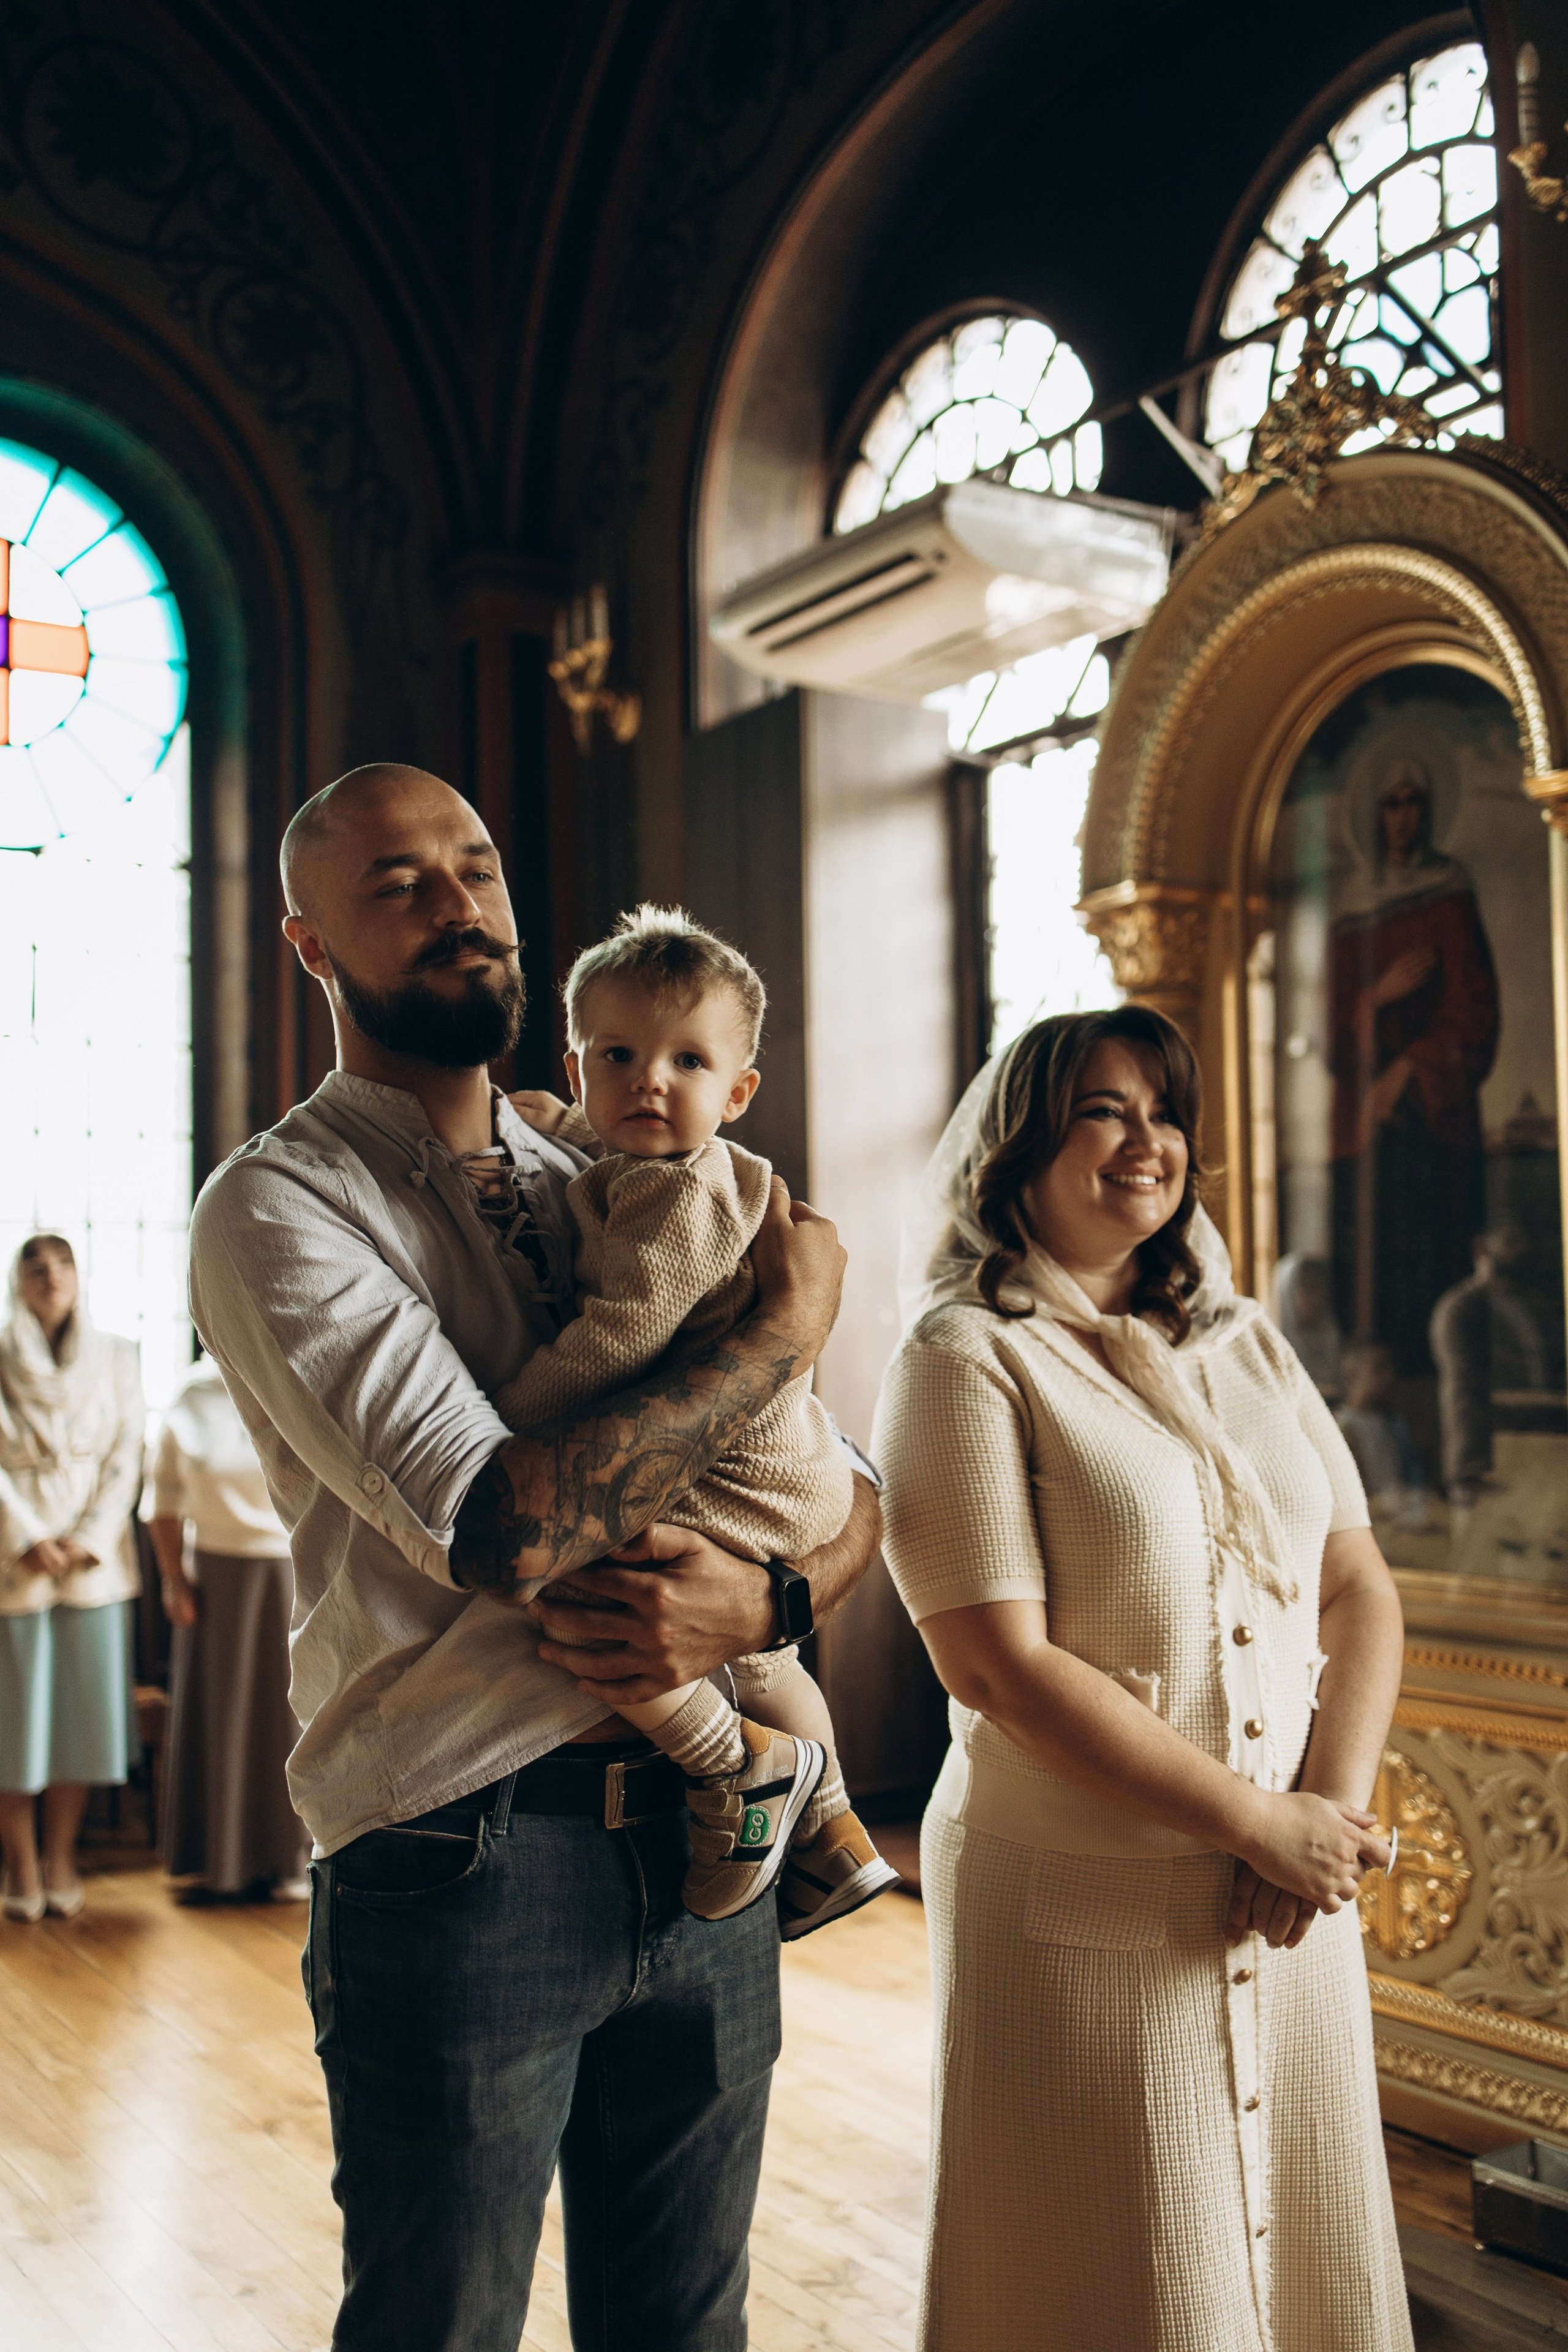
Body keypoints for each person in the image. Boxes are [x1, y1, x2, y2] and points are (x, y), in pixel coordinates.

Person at [187, 763, 876, 2352]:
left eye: (477, 867)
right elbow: (510, 1527)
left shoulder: (628, 1163)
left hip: (711, 1851)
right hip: (465, 1851)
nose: (458, 904)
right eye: (398, 883)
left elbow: (848, 1495)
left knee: (685, 2330)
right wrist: (782, 1326)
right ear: (312, 946)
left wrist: (769, 1596)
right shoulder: (284, 1205)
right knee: (441, 2328)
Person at [873, 1005, 1409, 2352]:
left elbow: (1355, 1584)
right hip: (1082, 1895)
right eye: (1102, 1112)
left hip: (1290, 1891)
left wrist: (1321, 1819)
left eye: (1164, 1113)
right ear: (1018, 1147)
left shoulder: (1245, 1343)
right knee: (1114, 2257)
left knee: (1306, 2244)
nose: (1145, 1142)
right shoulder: (961, 1357)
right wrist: (1254, 1822)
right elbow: (995, 1663)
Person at [507, 903, 897, 1934]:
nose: (650, 1081)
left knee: (570, 1583)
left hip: (740, 1478)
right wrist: (566, 1126)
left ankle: (733, 1764)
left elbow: (619, 1339)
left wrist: (515, 1423)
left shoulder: (675, 1201)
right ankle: (836, 1832)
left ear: (737, 1092)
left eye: (687, 1062)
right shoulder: (682, 1167)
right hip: (795, 1466)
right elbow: (620, 1146)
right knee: (766, 1660)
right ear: (579, 1067)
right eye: (618, 1057)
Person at [1328, 753, 1498, 1368]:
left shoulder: (1450, 892)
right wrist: (1377, 999)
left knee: (1439, 1263)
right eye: (1391, 804)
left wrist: (1406, 1070)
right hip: (1364, 1129)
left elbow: (1474, 1010)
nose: (1403, 817)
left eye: (1413, 802)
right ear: (1375, 816)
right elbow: (1331, 1034)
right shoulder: (1351, 907)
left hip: (1435, 1115)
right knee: (1377, 1268)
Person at [0, 1234, 144, 1923]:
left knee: (81, 1720)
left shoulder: (118, 1355)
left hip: (94, 1561)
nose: (51, 1276)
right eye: (36, 1266)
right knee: (14, 1718)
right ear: (19, 1282)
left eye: (62, 1264)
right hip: (13, 1558)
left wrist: (89, 1537)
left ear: (79, 1276)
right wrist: (26, 1537)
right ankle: (20, 1863)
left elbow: (126, 1454)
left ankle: (62, 1856)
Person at [148, 1352, 310, 1902]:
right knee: (224, 1718)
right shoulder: (192, 1392)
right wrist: (173, 1580)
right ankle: (221, 1861)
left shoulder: (297, 1372)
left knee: (291, 1718)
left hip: (295, 1570)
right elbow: (163, 1498)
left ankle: (295, 1858)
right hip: (215, 1578)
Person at [1430, 1225, 1550, 1506]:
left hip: (1535, 1450)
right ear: (1481, 1250)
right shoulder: (1461, 1308)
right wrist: (1467, 1468)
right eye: (1508, 1243)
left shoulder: (1528, 1305)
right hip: (1487, 1460)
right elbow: (1463, 1391)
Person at [1335, 1338, 1428, 1528]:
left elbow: (1415, 1479)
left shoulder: (1395, 1425)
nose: (1389, 1376)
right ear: (1351, 1372)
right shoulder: (1338, 1430)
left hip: (1406, 1522)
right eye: (1379, 1367)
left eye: (1391, 1367)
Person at [1271, 1251, 1345, 1403]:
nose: (1318, 1297)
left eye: (1321, 1288)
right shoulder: (1272, 1339)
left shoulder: (1328, 1334)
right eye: (1309, 1288)